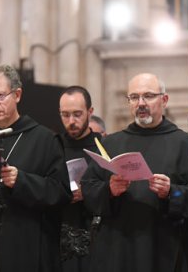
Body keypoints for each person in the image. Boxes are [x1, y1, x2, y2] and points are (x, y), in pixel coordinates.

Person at [81, 73, 188, 272]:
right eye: (134, 97)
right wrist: (109, 190)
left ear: (164, 100)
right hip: (119, 246)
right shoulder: (111, 143)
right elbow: (88, 188)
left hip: (165, 246)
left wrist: (171, 192)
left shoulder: (185, 143)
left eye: (148, 96)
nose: (141, 103)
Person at [0, 63, 72, 272]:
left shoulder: (45, 140)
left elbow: (62, 193)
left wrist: (22, 181)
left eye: (0, 95)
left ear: (18, 94)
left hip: (26, 247)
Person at [59, 85, 103, 272]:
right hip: (60, 234)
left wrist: (89, 192)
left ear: (90, 112)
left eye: (77, 114)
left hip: (97, 234)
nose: (71, 121)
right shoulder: (53, 146)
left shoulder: (105, 147)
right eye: (65, 115)